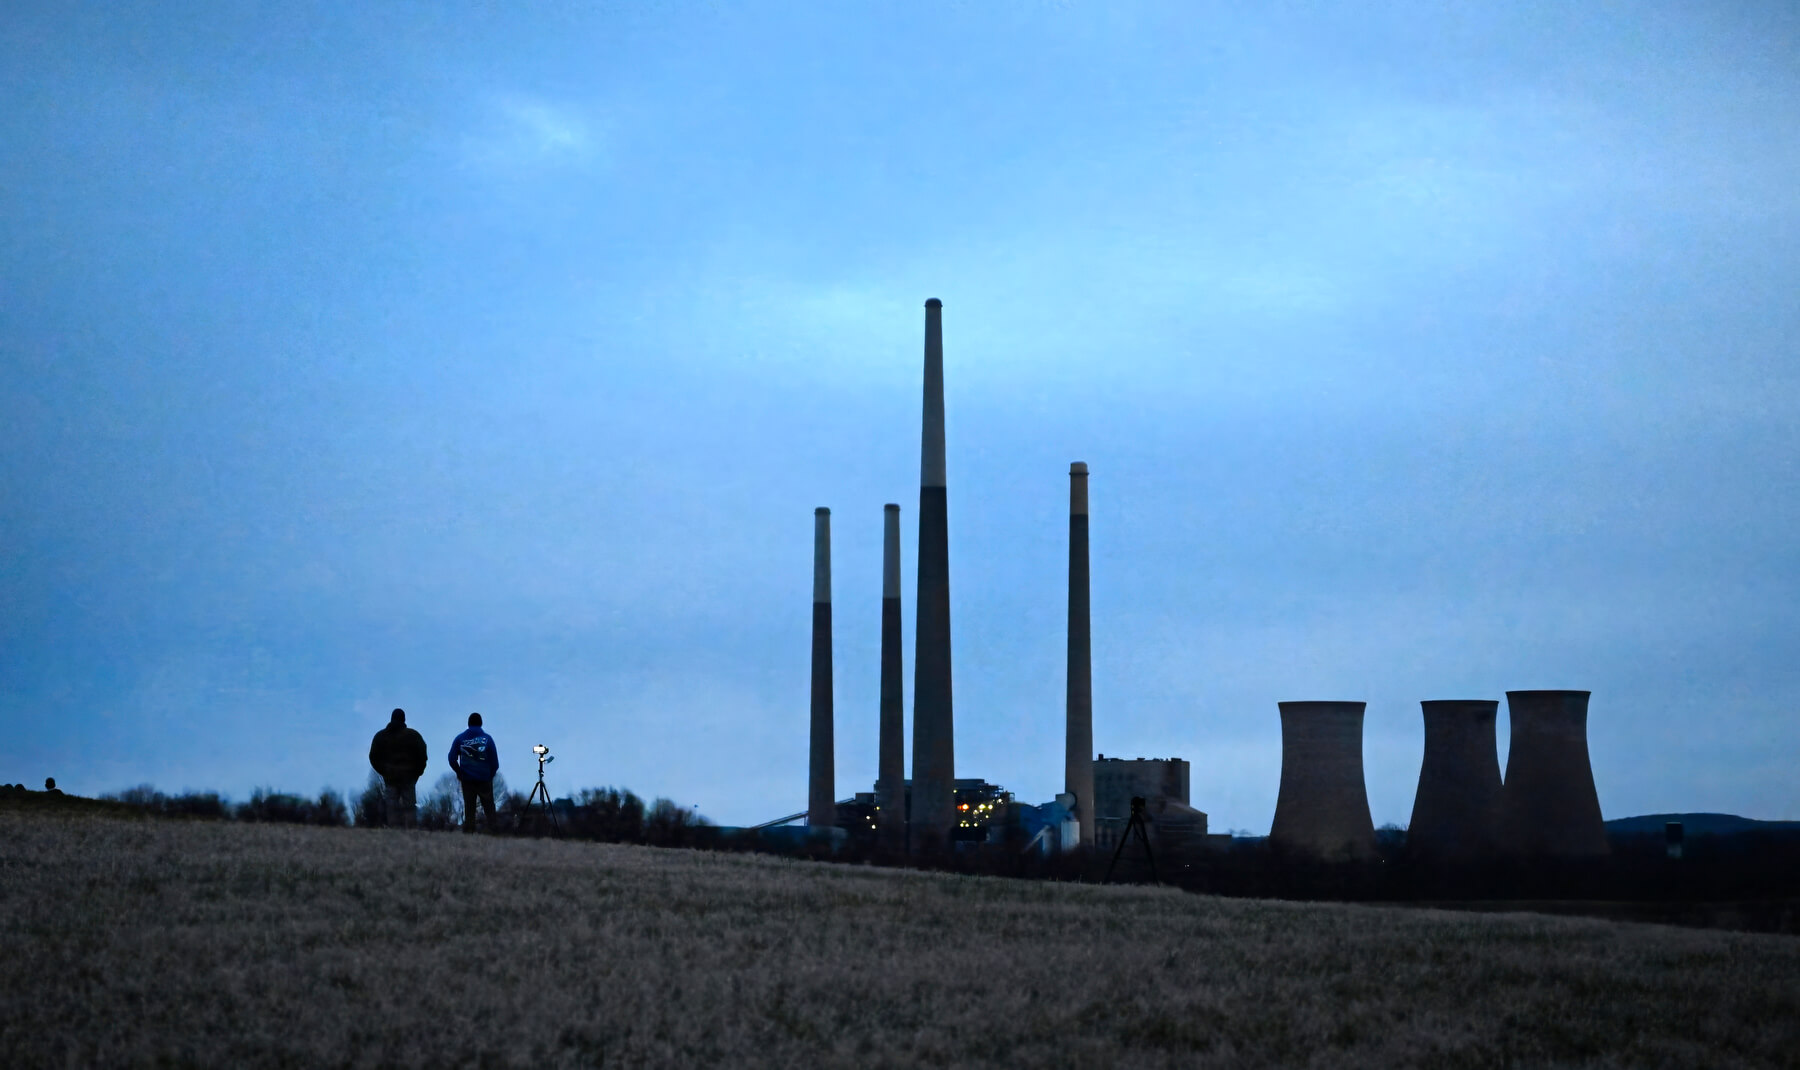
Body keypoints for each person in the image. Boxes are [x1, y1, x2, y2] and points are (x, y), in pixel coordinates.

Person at [368, 708, 428, 829]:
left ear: (391, 719)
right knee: (410, 806)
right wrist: (417, 773)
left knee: (391, 806)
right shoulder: (413, 736)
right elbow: (422, 755)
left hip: (390, 777)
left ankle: (393, 831)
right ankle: (411, 831)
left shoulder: (381, 736)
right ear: (404, 719)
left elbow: (373, 757)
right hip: (409, 777)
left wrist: (384, 771)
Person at [448, 712, 499, 833]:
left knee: (469, 807)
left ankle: (469, 832)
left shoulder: (460, 738)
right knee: (489, 807)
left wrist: (459, 772)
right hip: (484, 778)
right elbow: (495, 763)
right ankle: (495, 832)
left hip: (467, 779)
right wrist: (489, 775)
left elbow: (451, 758)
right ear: (481, 723)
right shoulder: (487, 739)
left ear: (468, 723)